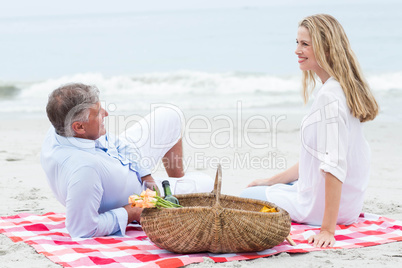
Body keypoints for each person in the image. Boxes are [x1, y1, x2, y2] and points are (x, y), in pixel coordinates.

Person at [240, 14, 379, 248]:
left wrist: (327, 230)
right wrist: (269, 181)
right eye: (297, 42)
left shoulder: (329, 96)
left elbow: (334, 165)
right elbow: (314, 159)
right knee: (269, 187)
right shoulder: (340, 88)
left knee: (243, 198)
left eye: (305, 44)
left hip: (327, 209)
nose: (297, 50)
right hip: (347, 203)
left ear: (326, 48)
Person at [41, 83, 213, 238]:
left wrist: (146, 175)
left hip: (125, 161)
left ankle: (176, 181)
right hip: (137, 196)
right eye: (98, 113)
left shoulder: (63, 125)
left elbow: (116, 142)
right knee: (207, 183)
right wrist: (131, 212)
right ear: (79, 127)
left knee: (171, 115)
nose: (106, 114)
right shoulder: (84, 170)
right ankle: (175, 190)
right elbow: (82, 230)